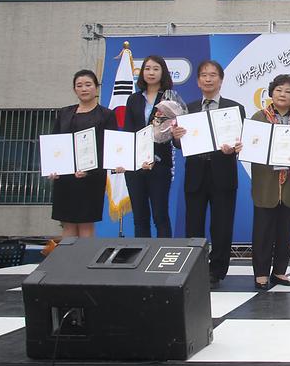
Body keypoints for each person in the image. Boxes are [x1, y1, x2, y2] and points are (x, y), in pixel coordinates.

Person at [172, 60, 245, 289]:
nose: (208, 79)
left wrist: (233, 148)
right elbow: (179, 145)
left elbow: (240, 142)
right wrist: (177, 136)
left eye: (213, 75)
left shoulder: (234, 108)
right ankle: (194, 268)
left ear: (221, 80)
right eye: (204, 75)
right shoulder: (188, 109)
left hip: (223, 173)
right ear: (198, 81)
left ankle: (217, 270)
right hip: (196, 173)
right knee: (193, 224)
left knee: (222, 226)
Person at [250, 74, 290, 289]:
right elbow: (251, 146)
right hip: (267, 182)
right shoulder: (259, 118)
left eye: (288, 91)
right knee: (263, 230)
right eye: (279, 90)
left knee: (285, 230)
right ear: (271, 92)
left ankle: (280, 272)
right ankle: (261, 273)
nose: (283, 95)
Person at [49, 70, 117, 237]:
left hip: (91, 178)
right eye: (79, 86)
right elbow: (54, 142)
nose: (84, 89)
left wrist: (90, 170)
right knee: (67, 223)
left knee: (86, 224)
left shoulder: (106, 114)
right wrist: (53, 167)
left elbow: (109, 146)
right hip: (65, 177)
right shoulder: (64, 113)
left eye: (88, 85)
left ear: (96, 88)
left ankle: (83, 262)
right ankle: (67, 262)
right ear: (74, 90)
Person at [121, 55, 174, 238]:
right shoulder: (133, 99)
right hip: (135, 167)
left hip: (159, 165)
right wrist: (128, 159)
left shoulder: (169, 99)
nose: (151, 72)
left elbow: (171, 133)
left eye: (156, 68)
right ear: (142, 72)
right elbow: (128, 130)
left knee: (160, 216)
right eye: (147, 68)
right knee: (140, 218)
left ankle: (163, 262)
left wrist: (152, 157)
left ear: (163, 72)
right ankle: (141, 261)